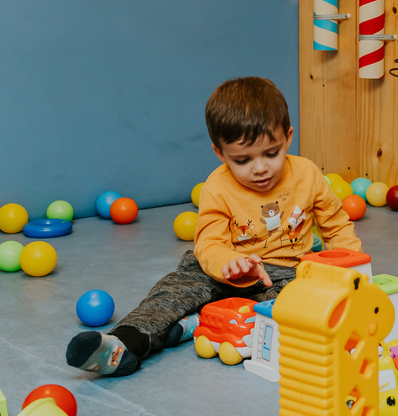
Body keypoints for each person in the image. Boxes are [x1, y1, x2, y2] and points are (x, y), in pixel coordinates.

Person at [65, 76, 362, 376]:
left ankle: (195, 323)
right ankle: (124, 344)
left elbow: (336, 225)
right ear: (220, 153)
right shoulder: (217, 187)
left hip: (289, 273)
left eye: (272, 153)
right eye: (242, 160)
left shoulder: (307, 174)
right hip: (225, 270)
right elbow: (208, 244)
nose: (260, 168)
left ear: (288, 137)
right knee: (174, 290)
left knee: (290, 305)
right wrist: (229, 263)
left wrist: (355, 272)